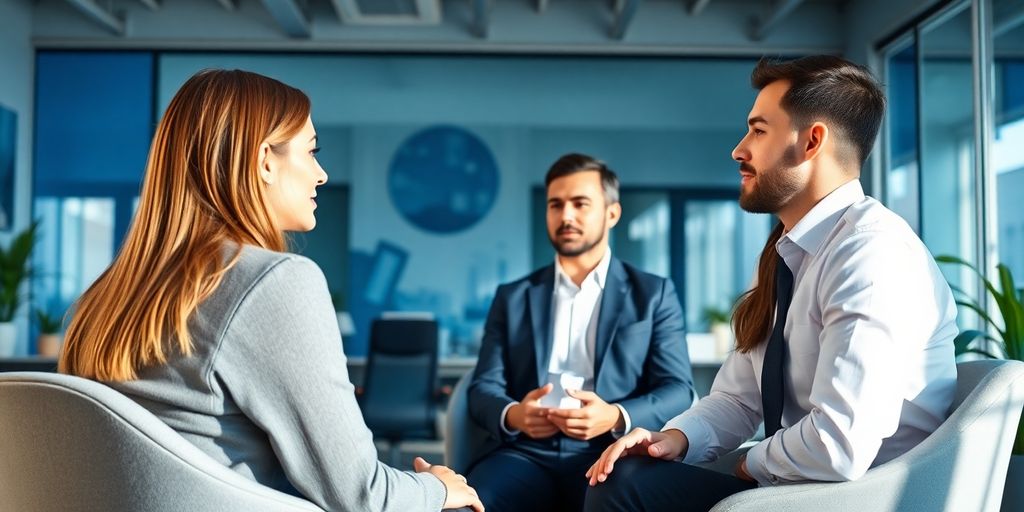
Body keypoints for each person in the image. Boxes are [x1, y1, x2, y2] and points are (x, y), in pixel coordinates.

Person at [59, 69, 483, 512]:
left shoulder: (102, 301)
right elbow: (362, 495)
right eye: (311, 151)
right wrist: (436, 486)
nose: (321, 174)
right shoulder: (273, 282)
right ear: (264, 160)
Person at [583, 55, 959, 511]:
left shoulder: (871, 254)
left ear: (811, 141)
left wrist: (747, 463)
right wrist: (675, 438)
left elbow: (838, 445)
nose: (739, 150)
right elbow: (739, 398)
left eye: (759, 131)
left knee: (625, 489)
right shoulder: (790, 252)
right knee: (627, 474)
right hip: (801, 489)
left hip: (856, 498)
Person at [466, 153, 695, 512]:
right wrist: (514, 414)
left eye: (580, 203)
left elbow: (679, 389)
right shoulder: (512, 297)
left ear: (612, 213)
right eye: (555, 205)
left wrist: (616, 415)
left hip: (608, 449)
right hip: (525, 451)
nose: (566, 215)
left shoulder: (653, 294)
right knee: (469, 504)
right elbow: (482, 388)